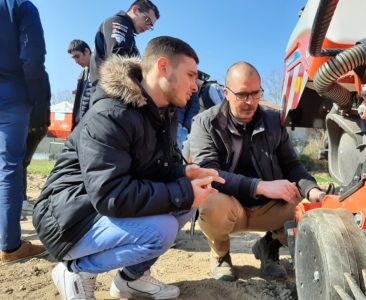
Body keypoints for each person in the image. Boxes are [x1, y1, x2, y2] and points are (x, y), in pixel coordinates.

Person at [33, 36, 224, 300]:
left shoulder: (162, 111)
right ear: (164, 66)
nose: (195, 86)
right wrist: (182, 191)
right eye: (190, 75)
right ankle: (77, 271)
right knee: (162, 229)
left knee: (185, 206)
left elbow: (152, 171)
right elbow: (111, 194)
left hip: (99, 207)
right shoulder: (110, 114)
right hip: (68, 218)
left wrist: (183, 173)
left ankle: (131, 280)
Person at [189, 61, 325, 281]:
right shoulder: (205, 123)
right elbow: (208, 173)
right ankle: (221, 255)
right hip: (230, 206)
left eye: (255, 93)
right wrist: (261, 186)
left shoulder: (274, 121)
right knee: (209, 203)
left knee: (307, 204)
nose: (250, 102)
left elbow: (291, 165)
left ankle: (268, 248)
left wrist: (313, 191)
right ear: (226, 93)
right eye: (242, 94)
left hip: (269, 208)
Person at [0, 0, 49, 265]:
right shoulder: (21, 6)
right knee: (9, 168)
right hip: (10, 93)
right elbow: (32, 56)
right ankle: (9, 246)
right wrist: (36, 103)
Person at [88, 0, 160, 102]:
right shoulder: (119, 23)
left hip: (108, 92)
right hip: (108, 94)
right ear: (135, 9)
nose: (147, 27)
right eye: (147, 20)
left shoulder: (127, 30)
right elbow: (118, 62)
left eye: (151, 26)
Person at [67, 39, 91, 128]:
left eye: (77, 56)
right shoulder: (82, 74)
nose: (76, 61)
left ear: (87, 51)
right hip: (79, 125)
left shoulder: (102, 69)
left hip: (91, 126)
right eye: (74, 58)